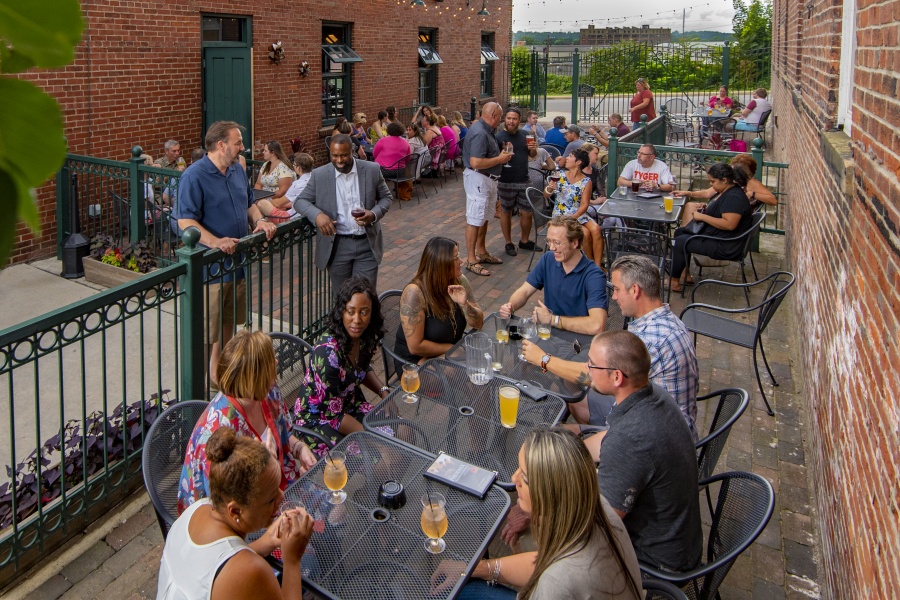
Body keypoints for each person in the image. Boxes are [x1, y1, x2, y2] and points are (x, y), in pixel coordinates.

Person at [434, 428, 642, 600]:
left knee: (462, 592)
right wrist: (478, 568)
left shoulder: (556, 583)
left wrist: (471, 572)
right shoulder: (592, 502)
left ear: (548, 493)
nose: (514, 480)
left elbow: (554, 574)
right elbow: (544, 561)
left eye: (524, 477)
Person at [521, 254, 699, 440]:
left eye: (616, 289)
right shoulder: (666, 320)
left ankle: (592, 439)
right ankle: (592, 427)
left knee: (549, 438)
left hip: (653, 438)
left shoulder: (650, 339)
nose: (613, 297)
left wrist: (543, 360)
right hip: (656, 415)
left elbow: (593, 375)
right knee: (570, 382)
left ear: (635, 290)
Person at [585, 330, 702, 572]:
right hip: (681, 543)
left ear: (617, 376)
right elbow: (607, 440)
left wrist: (537, 507)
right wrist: (571, 448)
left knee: (535, 533)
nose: (587, 370)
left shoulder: (630, 438)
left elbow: (600, 522)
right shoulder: (653, 394)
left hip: (653, 565)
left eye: (592, 365)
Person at [175, 121, 278, 383]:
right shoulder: (193, 175)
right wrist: (215, 242)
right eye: (238, 142)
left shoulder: (236, 170)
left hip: (236, 262)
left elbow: (249, 204)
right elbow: (185, 221)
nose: (242, 147)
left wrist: (260, 221)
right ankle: (204, 384)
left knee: (229, 324)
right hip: (210, 268)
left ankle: (220, 375)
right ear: (221, 145)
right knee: (208, 330)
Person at [160, 428, 313, 600]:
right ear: (235, 510)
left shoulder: (197, 509)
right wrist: (292, 561)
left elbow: (213, 567)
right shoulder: (251, 570)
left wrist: (265, 542)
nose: (281, 496)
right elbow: (237, 572)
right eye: (270, 500)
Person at [178, 330, 318, 513]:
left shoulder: (268, 391)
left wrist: (299, 448)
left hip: (280, 484)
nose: (276, 362)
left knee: (334, 511)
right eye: (270, 360)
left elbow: (283, 432)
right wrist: (266, 466)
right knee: (307, 532)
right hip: (245, 509)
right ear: (254, 377)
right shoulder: (219, 432)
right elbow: (226, 506)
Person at [293, 276, 390, 452]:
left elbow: (361, 368)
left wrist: (384, 393)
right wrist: (371, 437)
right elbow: (333, 415)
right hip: (318, 420)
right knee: (377, 456)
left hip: (349, 405)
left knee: (399, 430)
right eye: (351, 311)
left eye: (364, 312)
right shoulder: (327, 353)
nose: (357, 320)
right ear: (342, 312)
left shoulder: (362, 337)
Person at [291, 134, 393, 293]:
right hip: (337, 246)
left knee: (365, 297)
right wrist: (317, 215)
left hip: (367, 244)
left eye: (344, 155)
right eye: (335, 155)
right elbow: (300, 201)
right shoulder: (320, 175)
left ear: (353, 151)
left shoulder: (371, 170)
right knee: (342, 299)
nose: (339, 160)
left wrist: (373, 214)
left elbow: (386, 198)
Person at [500, 216, 607, 335]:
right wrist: (510, 306)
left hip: (579, 341)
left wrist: (552, 320)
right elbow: (525, 291)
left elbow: (597, 326)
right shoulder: (548, 259)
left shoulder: (594, 275)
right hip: (548, 334)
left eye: (557, 242)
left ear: (575, 243)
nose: (551, 248)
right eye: (549, 241)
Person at [395, 237, 484, 368]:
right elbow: (415, 347)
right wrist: (452, 348)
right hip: (413, 363)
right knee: (460, 370)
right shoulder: (414, 293)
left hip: (450, 354)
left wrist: (465, 304)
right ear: (442, 264)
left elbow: (479, 323)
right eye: (456, 258)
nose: (461, 262)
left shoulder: (460, 280)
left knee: (478, 364)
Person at [669, 162, 753, 292]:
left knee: (680, 243)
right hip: (719, 236)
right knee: (679, 233)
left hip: (726, 245)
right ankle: (684, 275)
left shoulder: (734, 197)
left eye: (712, 181)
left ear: (724, 180)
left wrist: (702, 217)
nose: (711, 184)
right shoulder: (728, 191)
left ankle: (673, 282)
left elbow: (730, 224)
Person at [461, 101, 512, 277]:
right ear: (493, 116)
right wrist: (500, 159)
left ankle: (481, 252)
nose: (501, 120)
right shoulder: (481, 133)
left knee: (483, 216)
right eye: (500, 116)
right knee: (475, 218)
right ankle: (471, 259)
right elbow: (476, 162)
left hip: (488, 179)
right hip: (479, 179)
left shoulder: (486, 130)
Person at [674, 153, 775, 225]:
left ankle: (686, 239)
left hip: (735, 216)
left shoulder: (751, 182)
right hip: (722, 209)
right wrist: (687, 193)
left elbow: (773, 200)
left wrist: (753, 194)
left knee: (692, 211)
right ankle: (685, 236)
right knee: (690, 206)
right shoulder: (732, 181)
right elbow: (708, 193)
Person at [543, 150, 602, 267]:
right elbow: (545, 195)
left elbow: (584, 205)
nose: (567, 158)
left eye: (570, 156)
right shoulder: (559, 175)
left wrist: (574, 217)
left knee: (596, 229)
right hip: (561, 215)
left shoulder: (586, 181)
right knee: (585, 233)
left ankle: (598, 265)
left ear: (578, 162)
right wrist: (550, 189)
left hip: (577, 214)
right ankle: (589, 265)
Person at [497, 107, 541, 257]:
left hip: (523, 178)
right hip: (505, 180)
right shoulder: (499, 137)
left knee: (527, 212)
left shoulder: (526, 135)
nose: (511, 121)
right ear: (505, 119)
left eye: (514, 118)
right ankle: (508, 243)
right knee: (506, 212)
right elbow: (495, 159)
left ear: (519, 120)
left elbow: (532, 155)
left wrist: (533, 148)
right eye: (509, 118)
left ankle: (524, 240)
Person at [254, 141, 297, 223]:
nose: (263, 152)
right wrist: (258, 196)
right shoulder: (266, 165)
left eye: (265, 151)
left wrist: (265, 198)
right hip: (263, 198)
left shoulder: (284, 168)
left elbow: (282, 191)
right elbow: (258, 184)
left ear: (272, 153)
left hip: (278, 201)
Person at [374, 122, 413, 201]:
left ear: (389, 130)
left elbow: (374, 154)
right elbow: (408, 159)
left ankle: (377, 194)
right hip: (400, 171)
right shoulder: (406, 143)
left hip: (384, 171)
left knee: (372, 170)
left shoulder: (383, 140)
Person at [282, 152, 315, 219]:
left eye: (294, 165)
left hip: (295, 217)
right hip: (310, 214)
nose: (293, 166)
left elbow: (279, 203)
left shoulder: (297, 184)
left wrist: (268, 202)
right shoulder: (315, 179)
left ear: (299, 168)